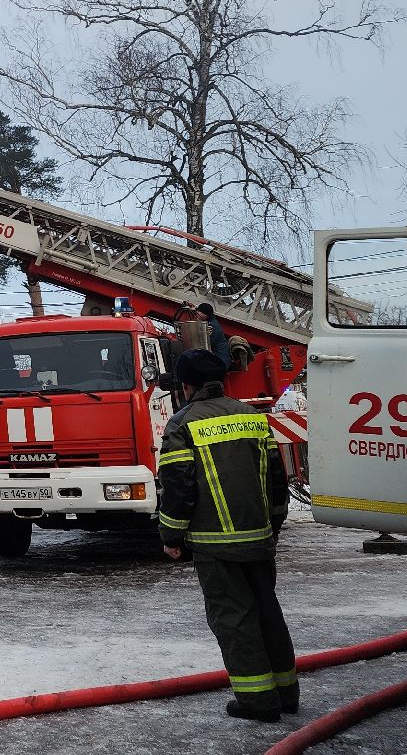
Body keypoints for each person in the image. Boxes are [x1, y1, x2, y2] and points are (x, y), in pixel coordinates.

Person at [157, 348, 296, 723]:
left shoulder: (182, 424)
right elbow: (276, 479)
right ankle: (286, 693)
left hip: (215, 545)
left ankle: (257, 701)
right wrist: (274, 525)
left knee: (234, 619)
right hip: (260, 539)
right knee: (268, 613)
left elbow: (178, 487)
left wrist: (170, 535)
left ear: (185, 385)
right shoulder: (252, 416)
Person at [196, 302, 233, 367]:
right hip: (218, 359)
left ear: (205, 315)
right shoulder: (212, 322)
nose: (196, 314)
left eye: (199, 311)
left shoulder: (212, 327)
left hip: (220, 362)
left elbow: (205, 345)